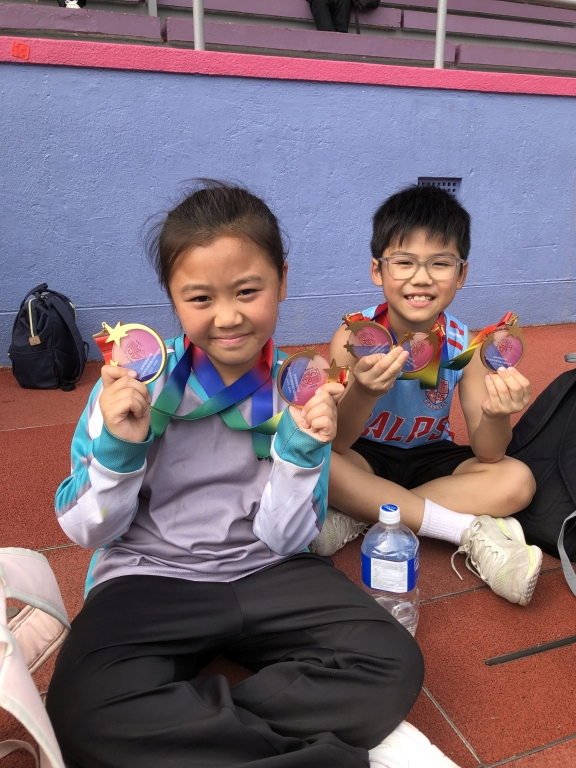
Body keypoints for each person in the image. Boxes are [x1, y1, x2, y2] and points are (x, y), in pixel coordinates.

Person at [46, 181, 460, 767]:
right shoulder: (134, 387)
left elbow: (286, 538)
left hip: (269, 570)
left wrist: (299, 452)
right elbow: (88, 530)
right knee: (81, 711)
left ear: (282, 281)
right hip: (150, 575)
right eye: (200, 298)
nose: (228, 316)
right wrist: (119, 448)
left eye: (248, 290)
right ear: (172, 298)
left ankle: (186, 733)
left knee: (390, 660)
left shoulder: (301, 392)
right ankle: (326, 751)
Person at [312, 184, 542, 607]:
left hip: (429, 459)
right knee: (317, 459)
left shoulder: (466, 346)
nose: (421, 277)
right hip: (363, 454)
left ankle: (365, 513)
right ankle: (464, 530)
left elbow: (489, 453)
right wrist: (363, 391)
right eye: (404, 262)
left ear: (462, 274)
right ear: (378, 270)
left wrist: (497, 414)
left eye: (440, 263)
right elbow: (338, 441)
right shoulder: (352, 336)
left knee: (517, 480)